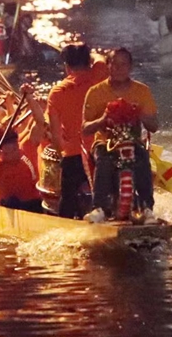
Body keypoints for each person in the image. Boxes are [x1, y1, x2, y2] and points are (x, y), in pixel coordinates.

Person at [82, 48, 159, 222]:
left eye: (123, 64)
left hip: (133, 142)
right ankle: (99, 207)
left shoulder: (142, 91)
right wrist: (103, 119)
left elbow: (153, 126)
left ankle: (147, 207)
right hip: (105, 142)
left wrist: (139, 112)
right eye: (114, 64)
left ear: (130, 67)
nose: (119, 68)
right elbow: (85, 128)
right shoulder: (95, 92)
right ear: (107, 66)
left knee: (142, 158)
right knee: (105, 158)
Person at [45, 44, 109, 219]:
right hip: (103, 150)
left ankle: (67, 225)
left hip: (73, 155)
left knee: (67, 201)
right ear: (88, 62)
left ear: (66, 67)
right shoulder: (99, 75)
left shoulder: (57, 92)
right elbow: (101, 59)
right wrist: (93, 54)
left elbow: (56, 136)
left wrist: (62, 155)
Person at [0, 129, 43, 213]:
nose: (15, 154)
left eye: (15, 149)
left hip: (35, 203)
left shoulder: (26, 147)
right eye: (7, 153)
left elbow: (39, 125)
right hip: (11, 209)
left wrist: (36, 115)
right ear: (1, 154)